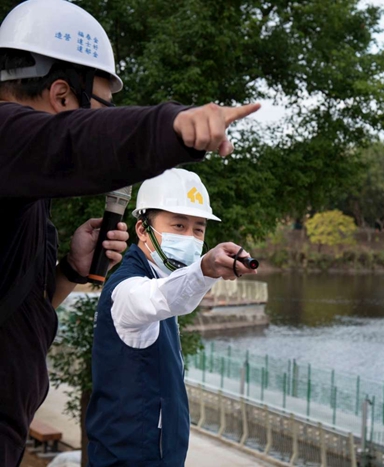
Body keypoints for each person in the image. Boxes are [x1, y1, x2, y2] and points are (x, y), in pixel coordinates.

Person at [0, 0, 260, 464]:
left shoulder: (24, 194)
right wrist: (173, 127)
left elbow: (22, 311)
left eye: (198, 228)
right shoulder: (4, 136)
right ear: (62, 95)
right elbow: (71, 141)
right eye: (101, 106)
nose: (189, 235)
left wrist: (70, 270)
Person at [86, 169, 255, 465]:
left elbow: (173, 294)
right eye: (178, 225)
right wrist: (205, 269)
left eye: (198, 229)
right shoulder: (127, 288)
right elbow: (161, 297)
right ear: (142, 230)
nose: (190, 237)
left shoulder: (161, 276)